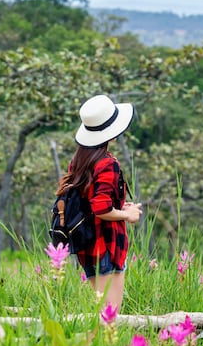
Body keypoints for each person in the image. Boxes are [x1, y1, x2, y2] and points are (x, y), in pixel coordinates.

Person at [55, 94, 142, 311]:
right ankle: (100, 345)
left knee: (100, 307)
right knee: (110, 312)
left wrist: (120, 207)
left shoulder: (78, 161)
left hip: (87, 244)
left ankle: (96, 344)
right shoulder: (107, 163)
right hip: (107, 244)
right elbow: (101, 208)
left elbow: (89, 202)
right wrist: (127, 215)